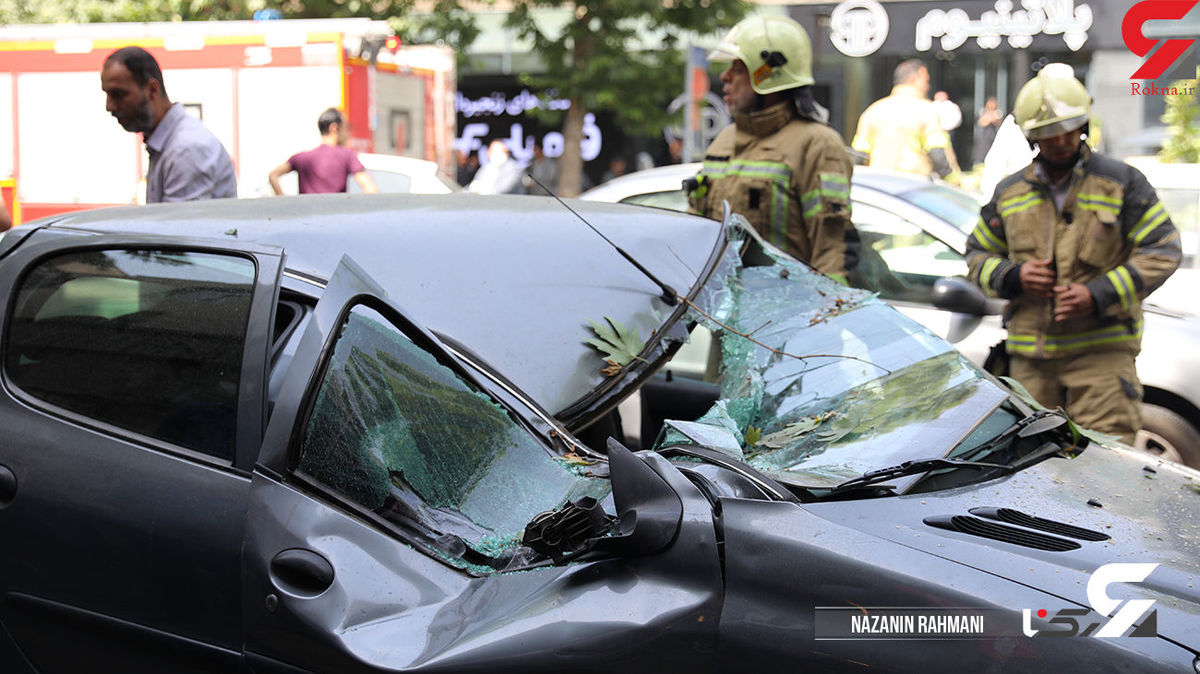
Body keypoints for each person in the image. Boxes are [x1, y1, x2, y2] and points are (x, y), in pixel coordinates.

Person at [965, 64, 1182, 445]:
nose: (1059, 142)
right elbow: (977, 255)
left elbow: (1162, 250)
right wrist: (1013, 277)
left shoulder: (1122, 183)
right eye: (1047, 135)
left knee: (1108, 465)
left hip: (1102, 357)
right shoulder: (1009, 193)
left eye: (1066, 131)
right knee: (1031, 470)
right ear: (1031, 135)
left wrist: (1097, 294)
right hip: (1030, 363)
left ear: (1082, 126)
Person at [687, 15, 859, 284]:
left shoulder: (818, 145)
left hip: (791, 318)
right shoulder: (724, 140)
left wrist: (826, 318)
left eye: (738, 67)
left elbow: (831, 248)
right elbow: (696, 231)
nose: (725, 77)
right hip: (727, 320)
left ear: (767, 74)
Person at [100, 46, 236, 203]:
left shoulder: (185, 149)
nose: (109, 106)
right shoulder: (171, 143)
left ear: (152, 89)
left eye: (118, 94)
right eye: (107, 94)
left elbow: (179, 226)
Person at [851, 59, 960, 181]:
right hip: (913, 187)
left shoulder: (872, 111)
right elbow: (938, 154)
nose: (928, 86)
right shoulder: (927, 111)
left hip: (879, 187)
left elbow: (859, 155)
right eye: (926, 81)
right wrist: (954, 182)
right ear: (914, 79)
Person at [269, 108, 377, 195]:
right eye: (346, 127)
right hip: (335, 217)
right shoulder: (346, 155)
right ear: (334, 128)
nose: (348, 133)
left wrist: (285, 202)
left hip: (306, 218)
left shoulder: (301, 158)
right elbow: (370, 188)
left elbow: (273, 175)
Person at [973, 95, 1004, 167]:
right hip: (983, 141)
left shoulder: (998, 113)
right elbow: (982, 122)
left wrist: (990, 117)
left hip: (993, 138)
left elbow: (997, 121)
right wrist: (991, 117)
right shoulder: (982, 112)